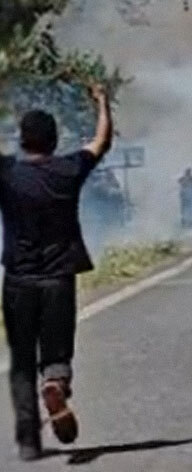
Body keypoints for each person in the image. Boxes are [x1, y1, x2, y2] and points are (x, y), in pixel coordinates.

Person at [0, 84, 112, 461]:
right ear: (54, 139)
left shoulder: (8, 174)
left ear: (23, 140)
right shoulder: (68, 170)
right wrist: (102, 103)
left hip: (18, 280)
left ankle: (30, 441)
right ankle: (55, 382)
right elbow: (100, 143)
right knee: (56, 350)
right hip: (58, 279)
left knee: (20, 361)